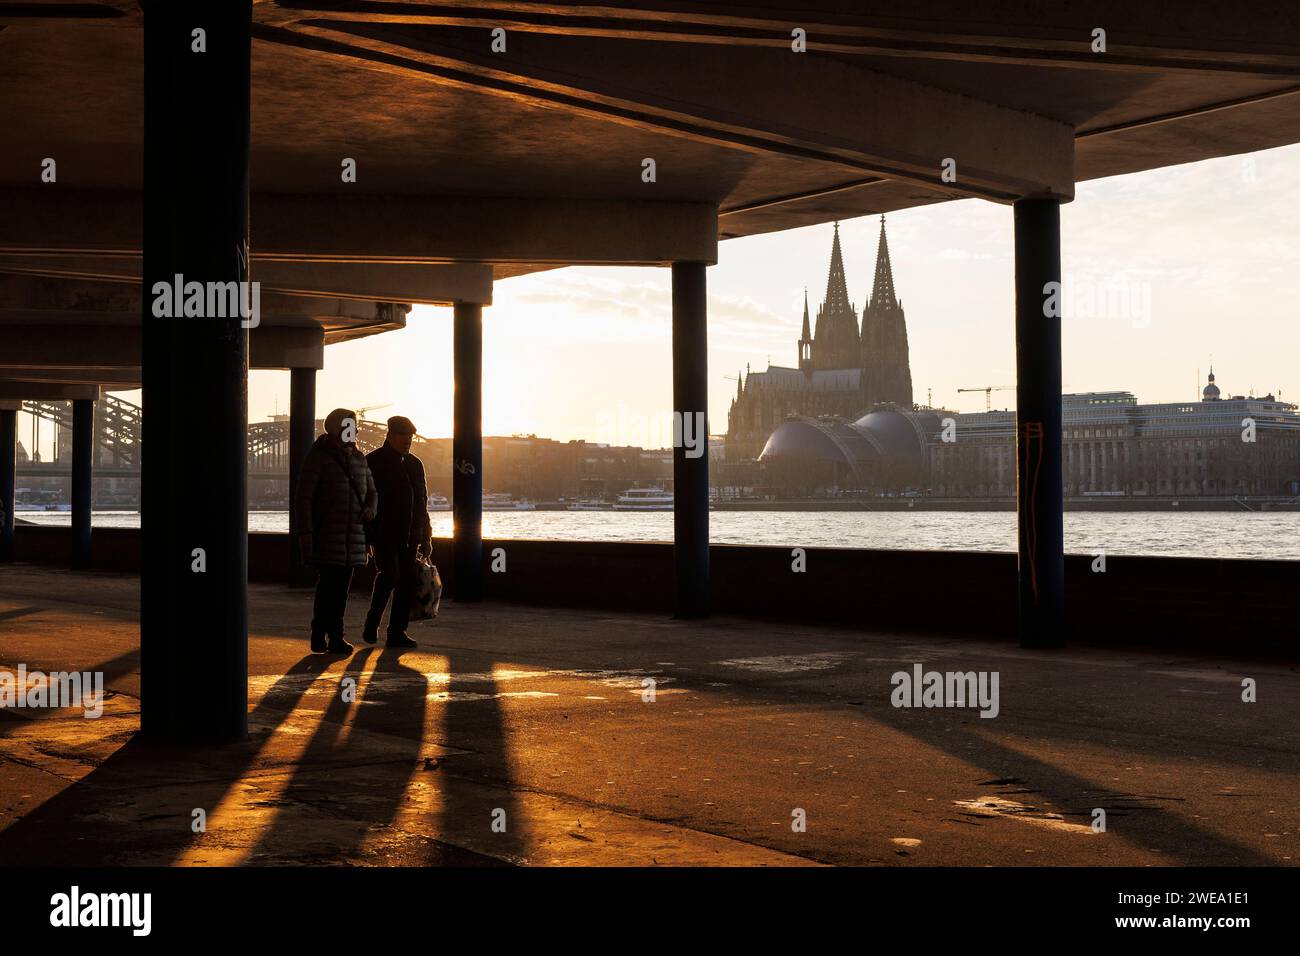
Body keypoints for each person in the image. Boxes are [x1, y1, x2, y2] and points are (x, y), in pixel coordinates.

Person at [294, 408, 377, 654]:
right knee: (329, 588)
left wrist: (371, 509)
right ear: (335, 430)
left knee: (340, 590)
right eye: (349, 427)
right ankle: (325, 634)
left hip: (353, 537)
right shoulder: (318, 457)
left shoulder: (360, 459)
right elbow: (304, 498)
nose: (355, 432)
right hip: (327, 535)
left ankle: (331, 635)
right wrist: (306, 533)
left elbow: (372, 492)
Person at [362, 415, 432, 648]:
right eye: (403, 436)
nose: (408, 441)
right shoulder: (373, 462)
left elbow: (422, 502)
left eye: (410, 437)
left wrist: (425, 534)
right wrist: (368, 535)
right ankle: (373, 622)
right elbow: (366, 500)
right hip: (384, 533)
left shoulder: (415, 464)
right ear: (390, 436)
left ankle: (397, 631)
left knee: (406, 582)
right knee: (390, 575)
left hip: (410, 534)